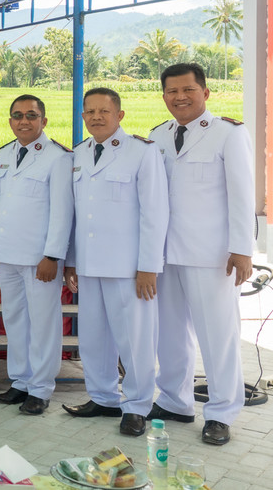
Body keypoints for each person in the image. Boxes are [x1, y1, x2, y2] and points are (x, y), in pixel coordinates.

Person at [150, 62, 254, 446]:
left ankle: (222, 412)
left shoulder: (228, 133)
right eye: (172, 91)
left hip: (212, 254)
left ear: (205, 92)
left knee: (217, 335)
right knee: (169, 333)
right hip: (165, 252)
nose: (180, 97)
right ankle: (175, 401)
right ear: (164, 96)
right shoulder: (157, 136)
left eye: (188, 90)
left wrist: (242, 249)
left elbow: (242, 194)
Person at [63, 87, 169, 437]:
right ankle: (103, 397)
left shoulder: (141, 152)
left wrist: (148, 266)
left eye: (104, 111)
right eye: (90, 112)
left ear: (119, 115)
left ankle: (137, 405)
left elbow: (155, 212)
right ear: (83, 116)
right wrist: (72, 260)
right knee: (94, 337)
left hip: (128, 267)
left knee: (134, 340)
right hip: (89, 263)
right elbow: (77, 213)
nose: (96, 117)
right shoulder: (79, 153)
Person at [0, 94, 73, 416]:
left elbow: (62, 211)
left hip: (40, 258)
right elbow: (5, 205)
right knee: (15, 320)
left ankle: (40, 388)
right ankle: (21, 381)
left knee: (42, 323)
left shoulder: (57, 157)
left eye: (31, 115)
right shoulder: (6, 153)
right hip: (8, 253)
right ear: (10, 120)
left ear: (44, 120)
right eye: (18, 115)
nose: (24, 121)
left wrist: (52, 255)